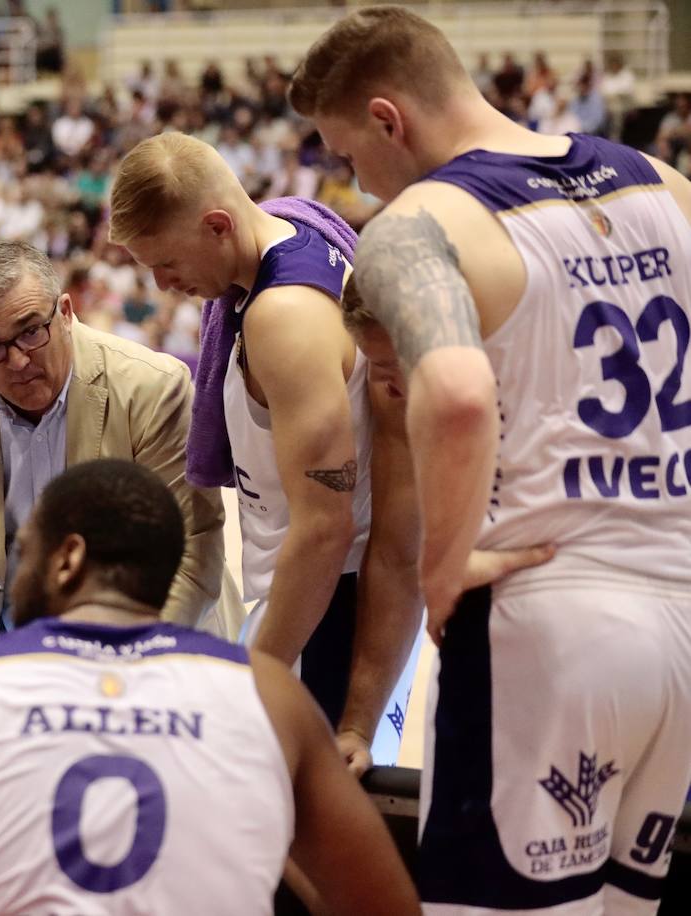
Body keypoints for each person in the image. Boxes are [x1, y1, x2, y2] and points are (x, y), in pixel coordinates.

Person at [291, 6, 691, 912]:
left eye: (350, 156)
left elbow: (462, 395)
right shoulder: (661, 182)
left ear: (389, 118)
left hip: (552, 623)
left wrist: (446, 568)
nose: (358, 181)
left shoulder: (419, 224)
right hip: (680, 620)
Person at [0, 459, 420, 916]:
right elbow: (385, 906)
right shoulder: (269, 694)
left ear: (67, 560)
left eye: (25, 553)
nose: (15, 575)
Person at [109, 131, 421, 770]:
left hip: (332, 605)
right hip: (329, 593)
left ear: (218, 224)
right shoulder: (292, 234)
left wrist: (253, 678)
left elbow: (324, 529)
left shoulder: (282, 318)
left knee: (300, 835)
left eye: (165, 263)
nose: (165, 285)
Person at [0, 241, 232, 645]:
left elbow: (191, 553)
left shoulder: (152, 387)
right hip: (21, 649)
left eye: (30, 331)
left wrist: (116, 656)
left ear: (65, 312)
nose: (17, 361)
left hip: (157, 648)